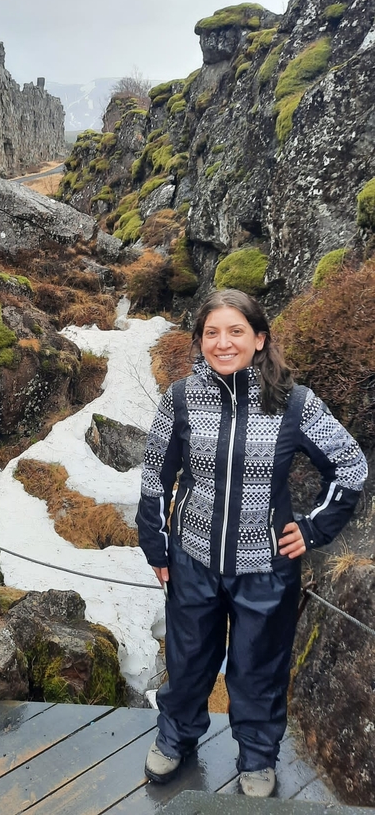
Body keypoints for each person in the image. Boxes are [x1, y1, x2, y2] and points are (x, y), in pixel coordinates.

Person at [135, 288, 368, 799]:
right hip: (193, 557)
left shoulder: (295, 403)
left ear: (259, 339)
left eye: (236, 331)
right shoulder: (180, 399)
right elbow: (155, 475)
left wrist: (312, 529)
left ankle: (258, 757)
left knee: (258, 667)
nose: (223, 343)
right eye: (211, 333)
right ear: (199, 342)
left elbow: (351, 465)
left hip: (267, 565)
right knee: (189, 658)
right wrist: (157, 546)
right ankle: (176, 739)